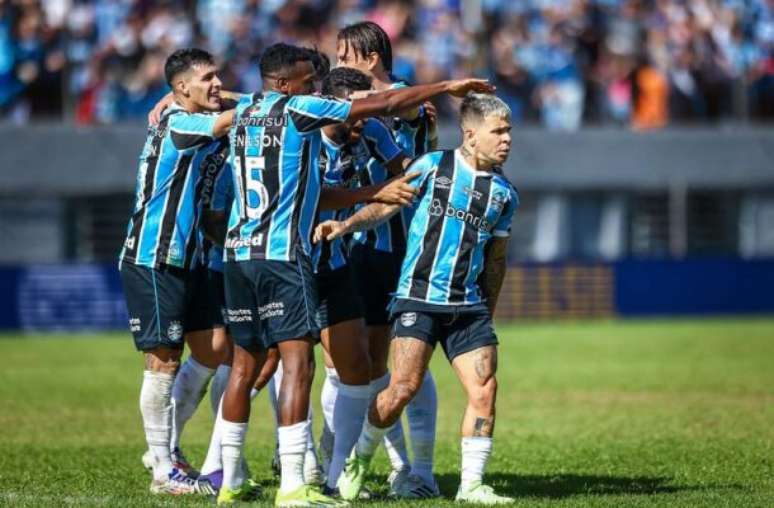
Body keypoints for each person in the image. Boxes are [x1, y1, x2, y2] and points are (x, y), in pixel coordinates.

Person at [214, 42, 493, 506]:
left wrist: (371, 191)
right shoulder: (298, 110)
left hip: (240, 254)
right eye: (307, 81)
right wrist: (448, 85)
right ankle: (294, 484)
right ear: (284, 85)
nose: (315, 89)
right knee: (296, 366)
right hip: (286, 255)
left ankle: (229, 480)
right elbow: (381, 102)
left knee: (252, 366)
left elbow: (309, 186)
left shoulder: (245, 112)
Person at [314, 93, 518, 505]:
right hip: (417, 298)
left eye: (509, 131)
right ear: (470, 134)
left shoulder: (504, 194)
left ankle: (472, 486)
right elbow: (385, 206)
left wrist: (487, 314)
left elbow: (496, 262)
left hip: (467, 306)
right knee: (401, 388)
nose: (507, 140)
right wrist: (347, 225)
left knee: (484, 388)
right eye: (498, 131)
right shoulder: (431, 167)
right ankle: (360, 459)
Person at [118, 47, 234, 496]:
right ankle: (164, 471)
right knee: (163, 361)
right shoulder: (177, 123)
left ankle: (164, 448)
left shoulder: (186, 110)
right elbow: (229, 120)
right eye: (207, 78)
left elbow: (231, 108)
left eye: (218, 75)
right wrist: (276, 104)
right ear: (181, 88)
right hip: (153, 258)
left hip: (191, 258)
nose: (217, 84)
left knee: (215, 348)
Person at [336, 21, 441, 497]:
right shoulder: (343, 100)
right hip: (356, 243)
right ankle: (364, 460)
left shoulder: (408, 99)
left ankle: (418, 469)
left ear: (371, 57)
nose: (337, 63)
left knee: (407, 361)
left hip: (403, 246)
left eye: (345, 54)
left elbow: (413, 122)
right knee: (357, 361)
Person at [313, 66, 416, 495]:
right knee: (269, 368)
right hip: (288, 265)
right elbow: (314, 196)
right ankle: (231, 464)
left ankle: (333, 472)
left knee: (354, 367)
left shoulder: (371, 129)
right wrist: (371, 194)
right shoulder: (302, 140)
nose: (362, 124)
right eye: (353, 115)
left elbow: (403, 172)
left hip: (339, 262)